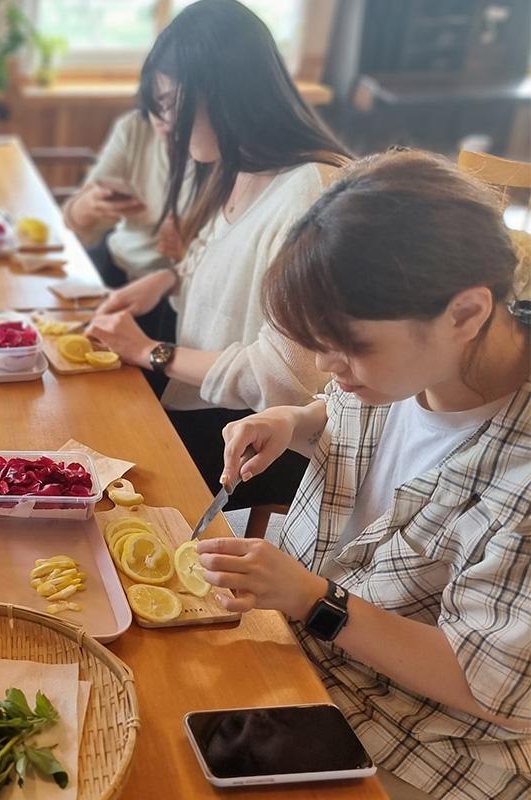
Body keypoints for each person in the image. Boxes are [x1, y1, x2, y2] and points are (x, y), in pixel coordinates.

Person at [202, 150, 531, 799]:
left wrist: (313, 599)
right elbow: (366, 415)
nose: (328, 365)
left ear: (466, 313)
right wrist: (297, 420)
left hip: (424, 738)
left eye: (350, 346)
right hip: (306, 655)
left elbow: (492, 687)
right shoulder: (417, 367)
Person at [85, 0, 351, 510]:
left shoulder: (311, 192)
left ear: (225, 94)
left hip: (252, 439)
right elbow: (226, 268)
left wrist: (150, 352)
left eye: (170, 105)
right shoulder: (237, 166)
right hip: (201, 401)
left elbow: (283, 379)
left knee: (95, 470)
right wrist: (166, 280)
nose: (163, 125)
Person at [63, 111, 187, 338]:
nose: (164, 114)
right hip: (115, 261)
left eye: (174, 100)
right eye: (157, 99)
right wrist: (90, 204)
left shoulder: (220, 153)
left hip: (171, 293)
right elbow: (72, 218)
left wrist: (187, 249)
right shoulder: (134, 127)